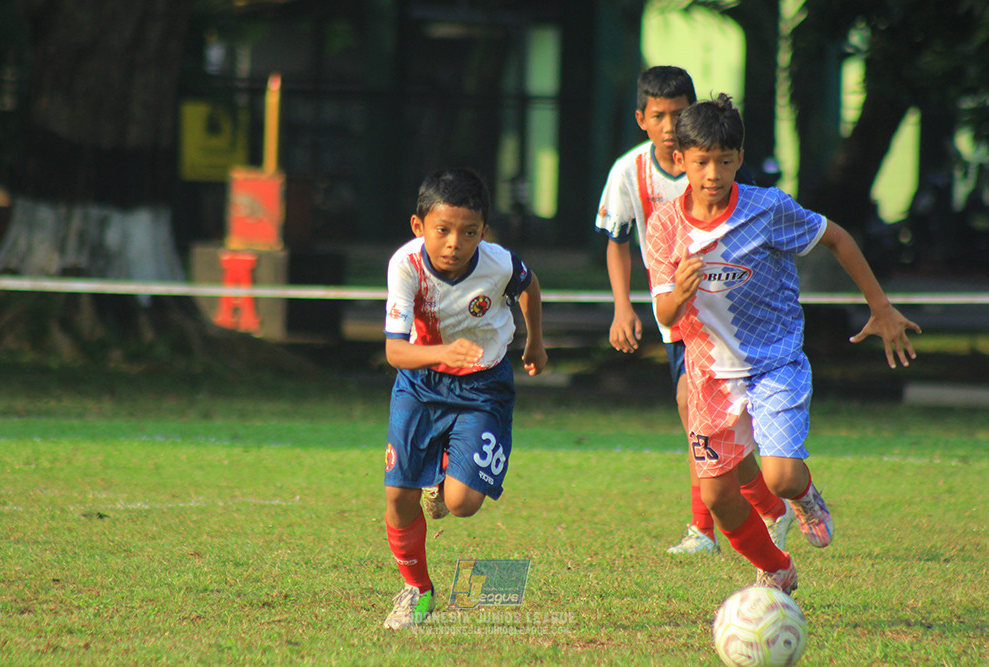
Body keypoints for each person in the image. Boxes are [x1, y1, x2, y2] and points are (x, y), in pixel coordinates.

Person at [645, 93, 921, 593]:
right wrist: (680, 295)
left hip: (773, 363)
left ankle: (807, 497)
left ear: (739, 160)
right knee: (716, 496)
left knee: (783, 479)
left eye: (724, 161)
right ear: (680, 158)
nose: (713, 173)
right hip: (708, 375)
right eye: (702, 161)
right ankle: (775, 567)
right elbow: (663, 313)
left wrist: (880, 307)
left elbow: (836, 237)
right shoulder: (664, 226)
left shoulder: (766, 209)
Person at [595, 65, 793, 556]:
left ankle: (705, 528)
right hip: (672, 309)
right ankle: (764, 509)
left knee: (694, 407)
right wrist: (623, 306)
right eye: (659, 116)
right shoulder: (629, 172)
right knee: (701, 420)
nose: (669, 125)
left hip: (720, 319)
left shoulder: (724, 170)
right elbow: (617, 243)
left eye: (678, 114)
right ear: (642, 119)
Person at [381, 168, 548, 630]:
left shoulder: (498, 263)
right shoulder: (405, 265)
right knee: (398, 495)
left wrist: (535, 341)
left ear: (484, 232)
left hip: (482, 388)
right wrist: (441, 351)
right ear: (419, 228)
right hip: (420, 383)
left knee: (462, 503)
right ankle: (418, 590)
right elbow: (395, 350)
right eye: (443, 230)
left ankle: (444, 476)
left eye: (469, 232)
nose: (455, 242)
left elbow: (529, 286)